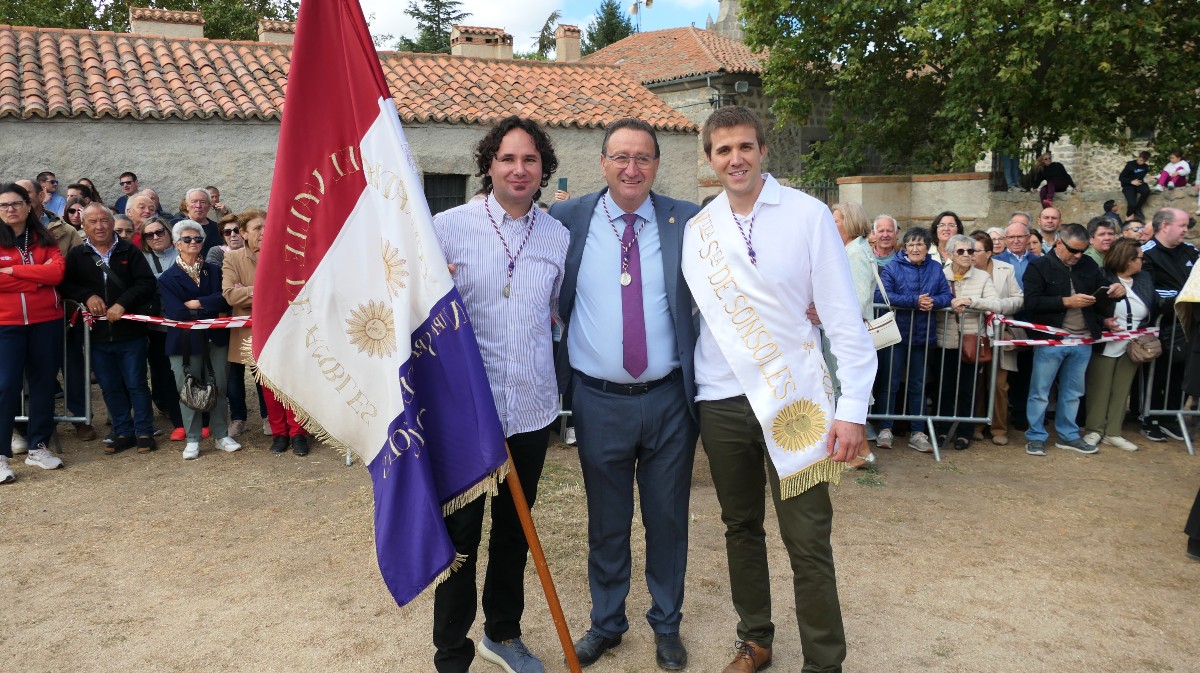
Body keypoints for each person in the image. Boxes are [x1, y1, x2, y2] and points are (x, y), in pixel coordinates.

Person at [686, 105, 872, 673]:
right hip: (720, 400)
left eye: (745, 146)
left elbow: (844, 321)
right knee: (740, 527)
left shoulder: (809, 215)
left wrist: (853, 412)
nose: (735, 159)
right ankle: (756, 641)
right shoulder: (699, 231)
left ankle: (823, 660)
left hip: (796, 400)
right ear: (711, 160)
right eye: (723, 150)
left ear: (763, 150)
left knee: (808, 538)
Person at [549, 117, 699, 670]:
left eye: (643, 158)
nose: (631, 168)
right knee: (606, 521)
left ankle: (667, 624)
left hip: (668, 401)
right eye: (621, 157)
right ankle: (607, 623)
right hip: (598, 401)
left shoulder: (689, 219)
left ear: (657, 165)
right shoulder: (566, 219)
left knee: (667, 519)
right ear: (603, 162)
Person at [429, 116, 568, 673]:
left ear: (543, 169)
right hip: (465, 413)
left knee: (516, 531)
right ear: (489, 164)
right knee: (461, 536)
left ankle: (502, 634)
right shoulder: (447, 228)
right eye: (508, 159)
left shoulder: (557, 236)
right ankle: (451, 651)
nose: (519, 169)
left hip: (530, 409)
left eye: (530, 160)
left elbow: (552, 316)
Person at [60, 203, 158, 454]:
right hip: (96, 336)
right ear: (83, 226)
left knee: (136, 383)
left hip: (130, 332)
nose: (99, 226)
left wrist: (123, 304)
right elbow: (66, 286)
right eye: (92, 221)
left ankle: (144, 430)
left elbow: (146, 283)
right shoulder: (77, 255)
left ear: (112, 223)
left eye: (104, 220)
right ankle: (123, 430)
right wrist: (87, 295)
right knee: (109, 384)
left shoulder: (130, 251)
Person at [1022, 223, 1121, 456]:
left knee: (1073, 391)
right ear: (1058, 243)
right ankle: (1035, 436)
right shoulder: (1039, 266)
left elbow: (1100, 299)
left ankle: (1069, 435)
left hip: (1082, 339)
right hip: (1051, 339)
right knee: (1040, 391)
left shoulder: (1088, 264)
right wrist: (1066, 301)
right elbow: (1031, 303)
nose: (1078, 256)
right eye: (1073, 250)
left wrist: (1114, 296)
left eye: (1083, 251)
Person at [0, 183, 66, 484]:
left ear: (29, 206)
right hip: (7, 325)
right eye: (4, 205)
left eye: (16, 203)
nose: (10, 209)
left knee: (42, 385)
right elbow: (45, 276)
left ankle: (38, 447)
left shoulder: (44, 237)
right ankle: (1, 455)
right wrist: (36, 280)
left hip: (45, 322)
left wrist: (14, 273)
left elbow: (56, 274)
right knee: (6, 386)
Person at [157, 220, 238, 460]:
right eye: (187, 239)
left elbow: (224, 299)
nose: (193, 243)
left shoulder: (214, 271)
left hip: (215, 338)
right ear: (176, 244)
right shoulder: (167, 278)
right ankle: (192, 439)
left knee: (219, 387)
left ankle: (222, 435)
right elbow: (176, 312)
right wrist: (208, 305)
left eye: (198, 239)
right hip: (183, 343)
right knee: (188, 389)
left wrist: (198, 304)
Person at [875, 227, 952, 452]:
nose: (915, 248)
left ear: (927, 247)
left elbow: (946, 295)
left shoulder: (935, 268)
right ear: (905, 247)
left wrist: (934, 302)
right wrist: (914, 301)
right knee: (890, 383)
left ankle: (918, 432)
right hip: (896, 335)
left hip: (923, 336)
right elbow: (882, 295)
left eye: (920, 244)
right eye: (911, 244)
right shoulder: (892, 267)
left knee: (918, 385)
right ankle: (885, 428)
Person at [1082, 238, 1154, 451]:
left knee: (1122, 389)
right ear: (1127, 260)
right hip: (1106, 342)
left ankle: (1113, 432)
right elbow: (1092, 307)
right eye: (1140, 258)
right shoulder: (1102, 276)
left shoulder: (1144, 278)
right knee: (1099, 388)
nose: (1143, 261)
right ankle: (1094, 430)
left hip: (1133, 343)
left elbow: (1152, 304)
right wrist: (1104, 322)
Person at [934, 234, 1002, 450]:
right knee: (944, 388)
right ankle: (942, 430)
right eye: (961, 251)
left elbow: (996, 303)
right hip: (944, 341)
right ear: (950, 254)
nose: (966, 255)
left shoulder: (982, 277)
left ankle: (965, 433)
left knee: (967, 389)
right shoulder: (940, 275)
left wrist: (972, 301)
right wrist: (948, 302)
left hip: (971, 342)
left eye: (970, 251)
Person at [824, 201, 876, 467]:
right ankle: (859, 450)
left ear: (850, 222)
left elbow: (856, 298)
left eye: (836, 220)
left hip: (846, 331)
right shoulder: (853, 249)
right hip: (845, 329)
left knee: (845, 387)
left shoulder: (855, 252)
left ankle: (860, 452)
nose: (832, 225)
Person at [1139, 207, 1198, 441]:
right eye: (1182, 225)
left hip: (1189, 326)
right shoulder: (1146, 253)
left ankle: (1171, 417)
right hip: (1159, 328)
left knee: (1182, 372)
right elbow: (1151, 292)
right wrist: (1183, 296)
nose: (1186, 230)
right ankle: (1149, 418)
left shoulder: (1191, 252)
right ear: (1164, 226)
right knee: (1158, 374)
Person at [969, 231, 1023, 445]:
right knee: (977, 381)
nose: (971, 254)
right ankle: (976, 425)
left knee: (1000, 384)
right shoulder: (965, 270)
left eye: (976, 250)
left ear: (989, 253)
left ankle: (999, 428)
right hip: (974, 332)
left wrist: (999, 307)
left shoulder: (1006, 270)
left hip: (1000, 334)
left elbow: (1018, 299)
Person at [222, 210, 271, 439]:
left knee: (265, 376)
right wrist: (261, 291)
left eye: (265, 226)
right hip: (243, 329)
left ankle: (268, 417)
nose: (262, 231)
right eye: (256, 228)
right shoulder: (232, 257)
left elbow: (283, 291)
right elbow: (230, 295)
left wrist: (248, 291)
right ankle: (238, 418)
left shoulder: (277, 253)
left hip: (272, 327)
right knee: (236, 375)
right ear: (243, 233)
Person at [141, 216, 186, 440]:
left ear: (169, 233)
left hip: (187, 325)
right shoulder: (141, 259)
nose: (156, 237)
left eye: (160, 232)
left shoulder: (184, 252)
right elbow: (142, 286)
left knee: (193, 373)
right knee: (165, 375)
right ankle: (178, 422)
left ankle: (201, 418)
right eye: (149, 234)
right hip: (158, 328)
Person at [174, 189, 222, 258]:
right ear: (187, 206)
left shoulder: (218, 229)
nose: (198, 206)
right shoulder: (176, 227)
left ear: (209, 206)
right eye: (194, 202)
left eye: (202, 202)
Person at [1120, 152, 1153, 219]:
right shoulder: (1130, 165)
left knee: (1146, 190)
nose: (1142, 162)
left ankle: (1138, 209)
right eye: (1141, 160)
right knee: (1132, 204)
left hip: (1139, 184)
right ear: (1138, 157)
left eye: (1144, 161)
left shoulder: (1145, 167)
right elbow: (1121, 178)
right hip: (1128, 186)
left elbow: (1141, 177)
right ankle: (1128, 218)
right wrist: (1131, 181)